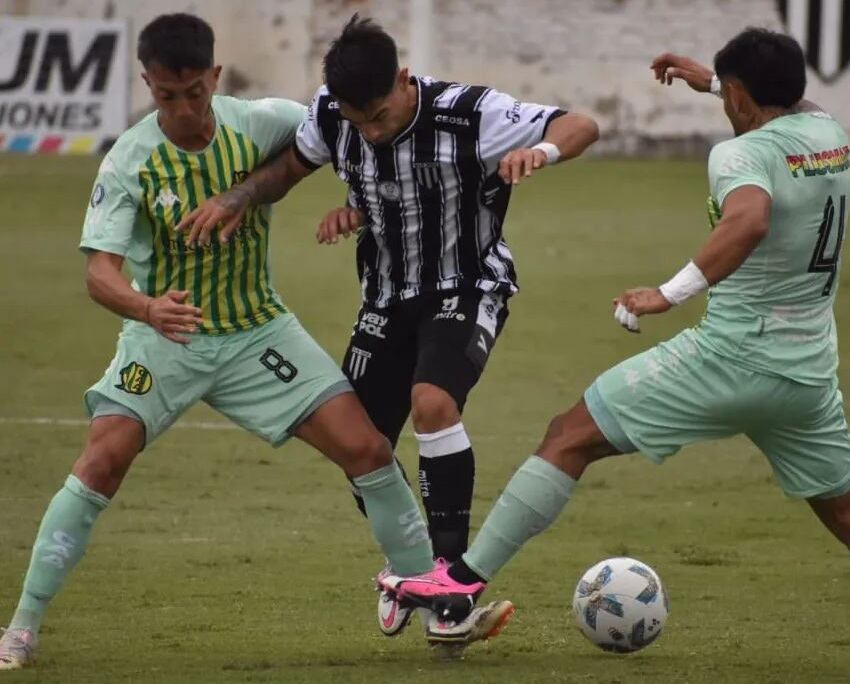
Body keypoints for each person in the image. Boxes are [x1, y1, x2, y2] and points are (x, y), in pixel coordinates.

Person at [0, 14, 507, 671]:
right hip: (168, 335)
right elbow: (100, 274)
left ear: (214, 77)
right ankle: (22, 627)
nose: (182, 110)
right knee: (102, 459)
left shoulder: (262, 121)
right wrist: (145, 307)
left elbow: (347, 136)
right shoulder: (130, 159)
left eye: (193, 92)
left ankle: (442, 607)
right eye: (165, 96)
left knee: (368, 449)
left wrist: (362, 202)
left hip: (258, 331)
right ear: (148, 86)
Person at [378, 28, 850, 615]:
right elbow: (782, 108)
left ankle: (463, 580)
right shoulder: (828, 132)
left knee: (568, 436)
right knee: (841, 509)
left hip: (730, 357)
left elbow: (748, 220)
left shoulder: (740, 154)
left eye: (726, 93)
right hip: (806, 375)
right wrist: (709, 81)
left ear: (739, 95)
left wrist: (668, 293)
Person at [177, 14, 599, 636]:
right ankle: (410, 564)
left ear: (404, 79)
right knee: (360, 446)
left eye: (379, 116)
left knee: (432, 402)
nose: (370, 131)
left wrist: (541, 149)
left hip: (467, 284)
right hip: (385, 296)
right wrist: (238, 198)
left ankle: (449, 578)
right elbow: (290, 167)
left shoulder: (467, 113)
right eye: (358, 122)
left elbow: (581, 124)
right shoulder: (331, 114)